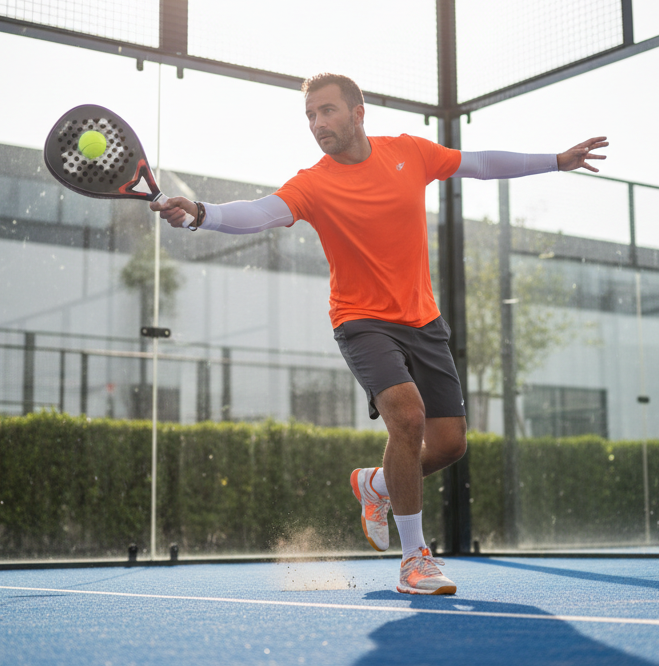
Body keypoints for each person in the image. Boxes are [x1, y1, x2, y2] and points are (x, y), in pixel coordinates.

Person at [151, 73, 607, 595]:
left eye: (327, 111)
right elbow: (258, 213)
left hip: (423, 320)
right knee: (408, 419)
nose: (318, 124)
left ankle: (375, 484)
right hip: (360, 321)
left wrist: (555, 160)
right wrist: (200, 215)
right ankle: (415, 561)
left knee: (450, 445)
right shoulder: (312, 183)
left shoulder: (409, 153)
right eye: (310, 116)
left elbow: (478, 164)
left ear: (357, 111)